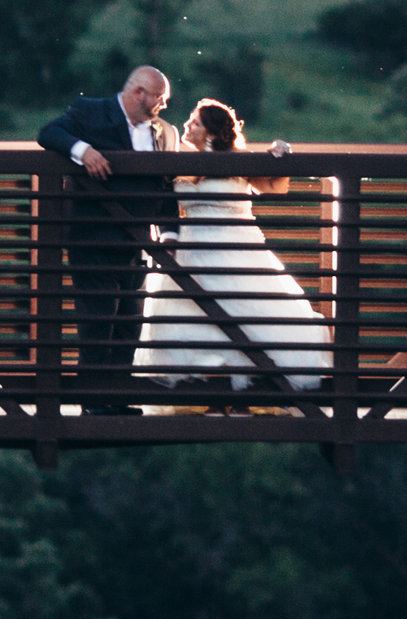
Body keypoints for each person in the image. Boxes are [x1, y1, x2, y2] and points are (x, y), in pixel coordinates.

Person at [134, 98, 329, 400]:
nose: (187, 125)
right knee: (193, 317)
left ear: (212, 131)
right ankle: (203, 392)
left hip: (236, 250)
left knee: (246, 313)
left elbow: (274, 186)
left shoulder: (239, 162)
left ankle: (252, 388)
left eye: (195, 122)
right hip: (191, 252)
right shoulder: (181, 164)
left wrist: (280, 158)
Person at [37, 65, 176, 412]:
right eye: (160, 98)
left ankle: (116, 399)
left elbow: (164, 185)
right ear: (139, 93)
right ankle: (93, 403)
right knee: (98, 321)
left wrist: (170, 232)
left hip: (136, 245)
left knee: (129, 323)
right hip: (93, 240)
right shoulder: (92, 112)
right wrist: (83, 151)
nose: (164, 105)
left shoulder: (160, 132)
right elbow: (49, 132)